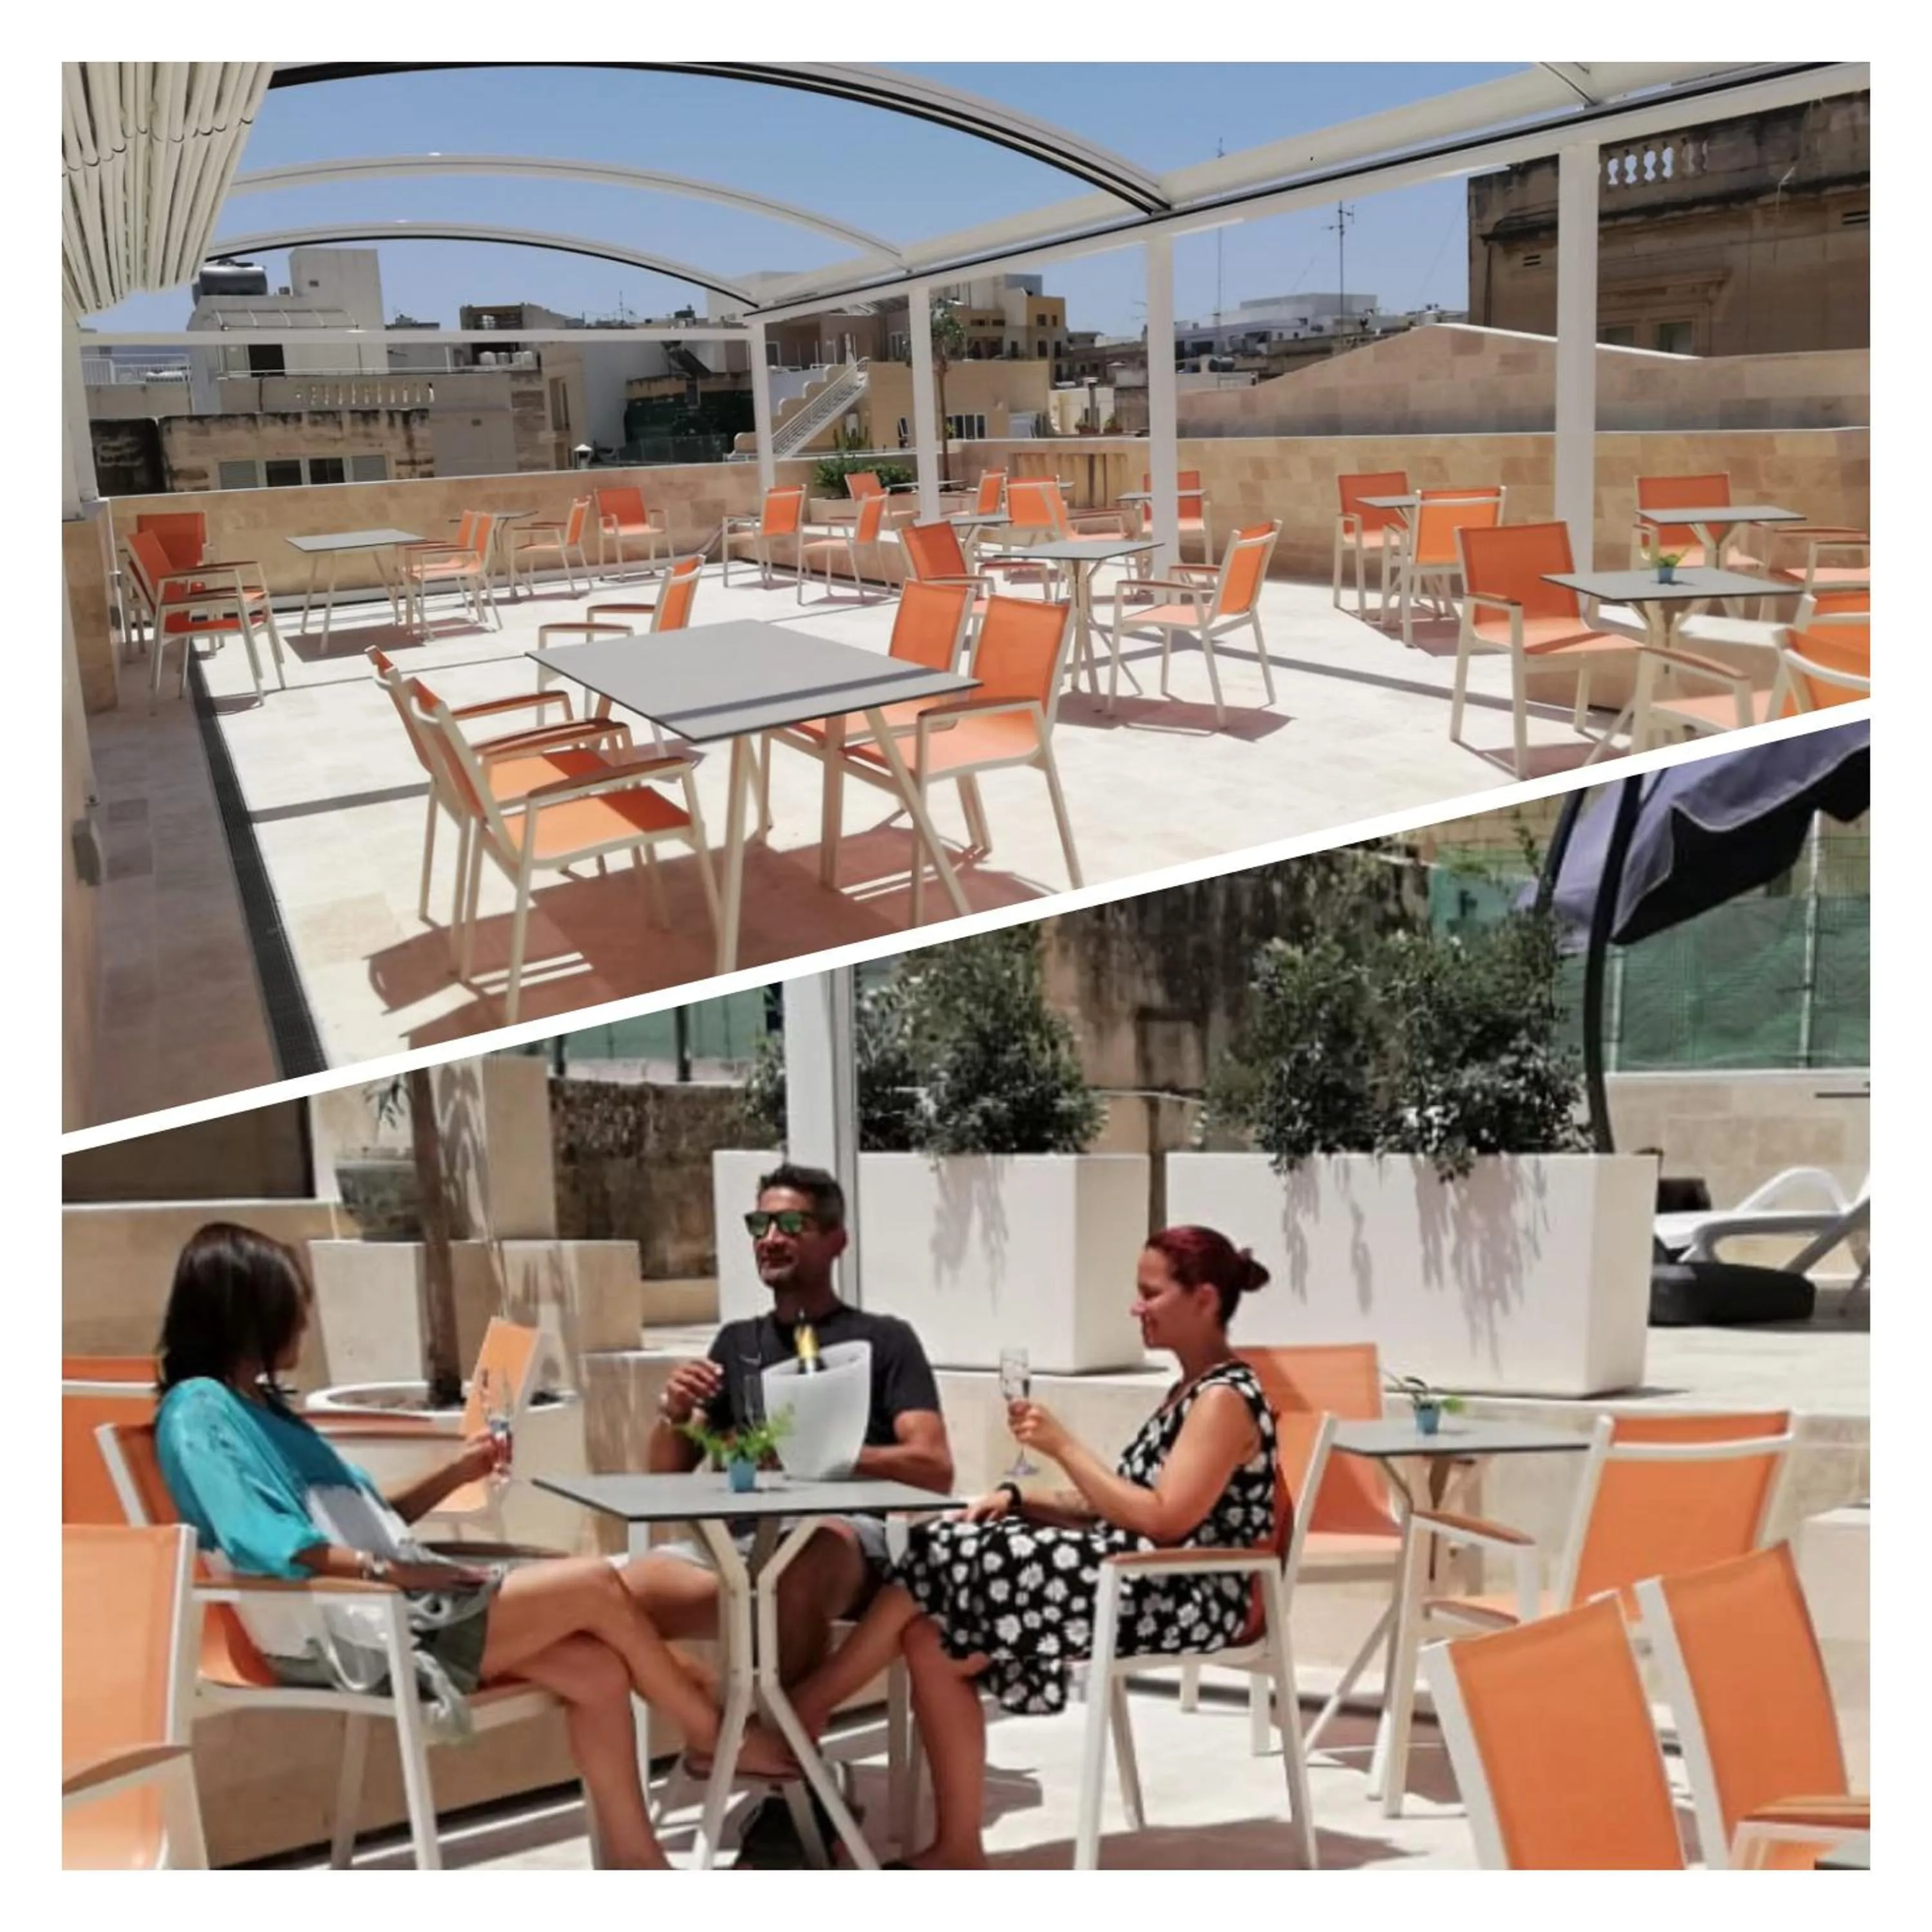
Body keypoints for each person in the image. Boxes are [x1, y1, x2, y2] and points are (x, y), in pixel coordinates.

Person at [152, 1222, 726, 1870]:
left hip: (386, 1603)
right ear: (249, 1312)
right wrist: (393, 1575)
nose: (303, 1323)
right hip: (348, 1634)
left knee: (597, 1670)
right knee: (593, 1582)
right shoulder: (199, 1411)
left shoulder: (255, 1408)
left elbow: (369, 1521)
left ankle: (636, 1866)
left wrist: (461, 1470)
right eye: (292, 1306)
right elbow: (269, 1543)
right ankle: (713, 1736)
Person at [732, 1226, 1280, 1867]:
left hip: (1186, 1593)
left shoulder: (1224, 1400)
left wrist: (1063, 1446)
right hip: (1135, 1576)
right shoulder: (1186, 1392)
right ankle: (958, 1847)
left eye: (1149, 1294)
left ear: (1205, 1300)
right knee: (930, 1637)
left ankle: (796, 1720)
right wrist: (1021, 1499)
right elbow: (1117, 1504)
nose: (1135, 1308)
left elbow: (1162, 1520)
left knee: (945, 1552)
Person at [621, 1162, 952, 1861]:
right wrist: (672, 1411)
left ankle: (779, 1807)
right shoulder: (735, 1346)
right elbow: (666, 1477)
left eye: (791, 1224)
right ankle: (750, 1738)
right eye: (760, 1225)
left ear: (836, 1241)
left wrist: (826, 1454)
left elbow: (932, 1467)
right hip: (734, 1552)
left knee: (799, 1561)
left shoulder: (885, 1341)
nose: (771, 1238)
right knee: (606, 1596)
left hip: (840, 1546)